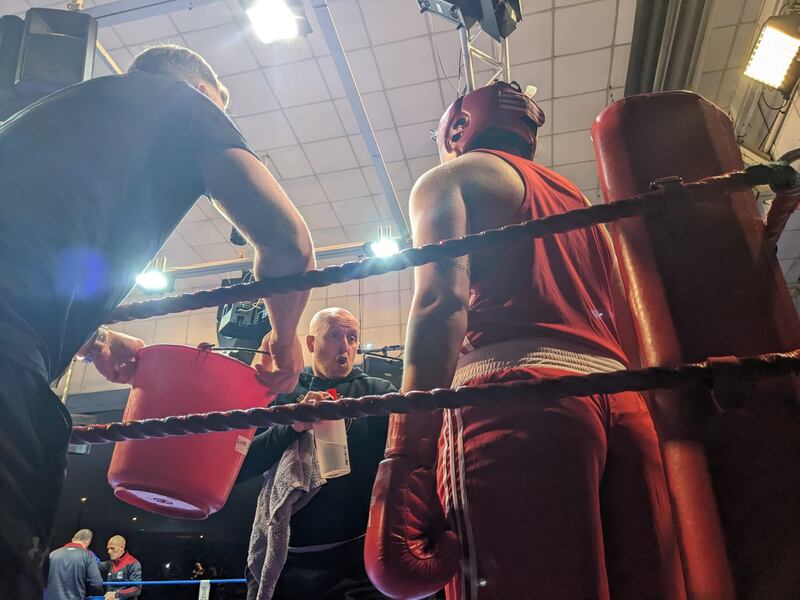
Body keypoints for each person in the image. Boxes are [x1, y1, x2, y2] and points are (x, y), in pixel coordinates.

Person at [0, 44, 315, 599]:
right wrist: (286, 337)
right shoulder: (184, 105)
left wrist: (90, 338)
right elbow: (288, 245)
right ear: (200, 93)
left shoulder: (47, 113)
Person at [366, 81, 685, 600]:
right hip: (625, 410)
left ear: (457, 130)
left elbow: (440, 302)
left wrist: (404, 459)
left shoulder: (453, 177)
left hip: (516, 401)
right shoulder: (580, 203)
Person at [239, 307, 395, 600]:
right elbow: (241, 464)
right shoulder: (284, 392)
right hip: (289, 555)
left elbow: (402, 462)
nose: (345, 346)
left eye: (352, 337)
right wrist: (293, 425)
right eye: (334, 335)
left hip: (358, 556)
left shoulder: (379, 392)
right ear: (311, 344)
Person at [45, 529, 103, 600]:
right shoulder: (88, 555)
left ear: (73, 539)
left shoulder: (52, 554)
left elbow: (42, 579)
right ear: (88, 542)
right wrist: (84, 592)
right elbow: (97, 584)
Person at [99, 536, 141, 600]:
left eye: (112, 548)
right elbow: (96, 564)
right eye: (108, 549)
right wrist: (85, 553)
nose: (109, 551)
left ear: (122, 547)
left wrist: (117, 594)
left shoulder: (133, 563)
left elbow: (137, 588)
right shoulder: (111, 563)